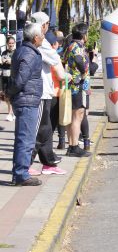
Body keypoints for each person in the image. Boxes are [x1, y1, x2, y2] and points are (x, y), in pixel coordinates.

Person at [29, 13, 70, 175]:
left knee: (45, 129)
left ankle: (49, 162)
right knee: (40, 129)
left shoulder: (36, 40)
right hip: (40, 91)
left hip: (45, 91)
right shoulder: (40, 42)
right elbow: (55, 60)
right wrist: (66, 75)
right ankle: (25, 163)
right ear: (43, 25)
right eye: (46, 24)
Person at [10, 22, 44, 186]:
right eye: (42, 35)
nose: (43, 37)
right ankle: (21, 174)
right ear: (36, 38)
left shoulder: (22, 50)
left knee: (22, 139)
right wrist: (11, 92)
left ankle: (19, 173)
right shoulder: (30, 54)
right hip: (27, 100)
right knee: (26, 139)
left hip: (24, 99)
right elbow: (20, 79)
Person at [63, 23, 92, 157]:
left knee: (73, 116)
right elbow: (80, 61)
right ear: (83, 35)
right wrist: (85, 73)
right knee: (77, 116)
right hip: (77, 85)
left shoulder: (70, 45)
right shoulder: (77, 47)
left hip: (72, 85)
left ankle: (71, 146)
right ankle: (74, 146)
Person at [1, 36, 16, 121]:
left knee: (10, 95)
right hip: (4, 76)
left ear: (14, 44)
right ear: (7, 44)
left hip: (12, 76)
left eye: (12, 43)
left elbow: (18, 64)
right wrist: (2, 61)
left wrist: (11, 62)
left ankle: (10, 113)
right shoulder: (4, 52)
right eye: (9, 43)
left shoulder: (16, 52)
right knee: (6, 97)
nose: (11, 45)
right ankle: (12, 112)